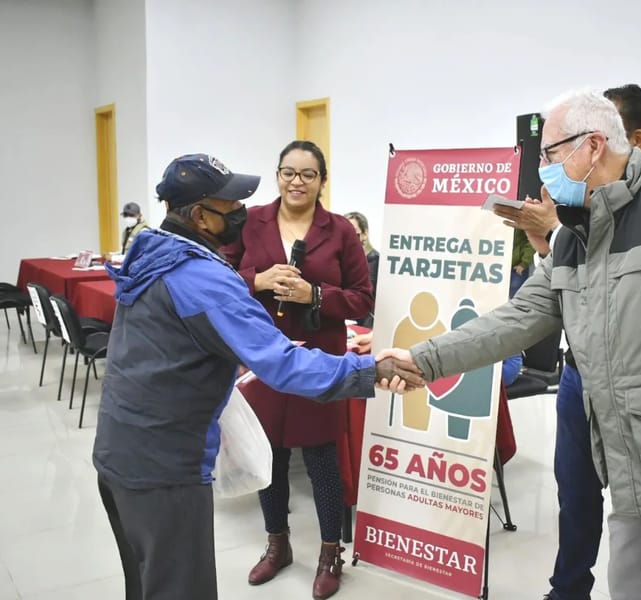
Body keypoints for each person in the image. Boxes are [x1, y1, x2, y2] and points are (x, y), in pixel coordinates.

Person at [381, 89, 641, 600]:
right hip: (631, 477)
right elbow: (520, 317)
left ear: (594, 145)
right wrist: (425, 359)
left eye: (551, 156)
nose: (544, 173)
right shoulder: (573, 238)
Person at [92, 153, 421, 600]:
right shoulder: (200, 276)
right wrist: (370, 369)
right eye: (229, 204)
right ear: (200, 216)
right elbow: (280, 362)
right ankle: (277, 541)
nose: (240, 212)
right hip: (163, 465)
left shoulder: (151, 250)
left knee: (148, 582)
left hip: (120, 449)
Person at [496, 83, 641, 600]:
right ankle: (568, 588)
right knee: (575, 490)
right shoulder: (580, 205)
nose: (561, 162)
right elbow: (561, 291)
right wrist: (547, 237)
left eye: (590, 137)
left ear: (626, 139)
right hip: (578, 374)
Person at [222, 141, 373, 600]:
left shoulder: (342, 230)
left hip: (317, 361)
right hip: (263, 358)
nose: (296, 182)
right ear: (277, 175)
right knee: (270, 457)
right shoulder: (251, 222)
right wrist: (257, 281)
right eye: (288, 172)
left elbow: (364, 299)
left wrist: (317, 296)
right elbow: (220, 276)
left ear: (322, 181)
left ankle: (331, 555)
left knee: (323, 458)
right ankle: (277, 545)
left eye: (308, 174)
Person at [345, 211, 379, 327]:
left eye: (353, 233)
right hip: (344, 323)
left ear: (365, 234)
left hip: (367, 327)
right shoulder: (341, 262)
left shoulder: (377, 261)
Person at [509, 228, 534, 298]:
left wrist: (524, 263)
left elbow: (532, 238)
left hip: (517, 266)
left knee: (516, 297)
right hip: (494, 264)